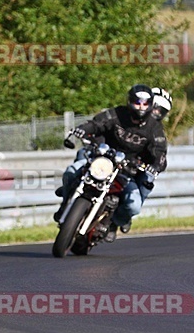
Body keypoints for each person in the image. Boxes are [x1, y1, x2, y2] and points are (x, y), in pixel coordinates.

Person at [53, 84, 168, 243]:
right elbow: (96, 124)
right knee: (71, 171)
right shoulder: (117, 113)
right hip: (101, 158)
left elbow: (160, 152)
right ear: (130, 102)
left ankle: (115, 222)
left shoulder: (154, 128)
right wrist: (81, 130)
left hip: (127, 170)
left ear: (150, 105)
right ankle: (65, 205)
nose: (140, 107)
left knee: (133, 205)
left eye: (145, 104)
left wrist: (155, 166)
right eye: (137, 102)